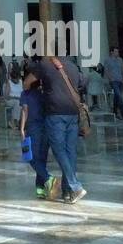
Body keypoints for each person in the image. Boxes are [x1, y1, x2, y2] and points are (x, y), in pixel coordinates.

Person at [37, 53, 88, 202]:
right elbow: (83, 83)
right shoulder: (73, 66)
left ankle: (75, 185)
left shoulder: (46, 65)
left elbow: (28, 82)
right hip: (72, 113)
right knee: (70, 151)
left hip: (55, 113)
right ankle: (67, 191)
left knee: (59, 150)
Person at [19, 64, 57, 199]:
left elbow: (25, 110)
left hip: (33, 127)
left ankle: (48, 178)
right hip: (45, 127)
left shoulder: (25, 94)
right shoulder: (44, 94)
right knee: (41, 158)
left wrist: (22, 128)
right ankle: (40, 188)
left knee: (31, 157)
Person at [104, 47, 123, 119]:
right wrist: (110, 78)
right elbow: (106, 70)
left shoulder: (120, 60)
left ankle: (114, 110)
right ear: (112, 52)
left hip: (120, 80)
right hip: (113, 80)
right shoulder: (107, 60)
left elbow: (122, 69)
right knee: (119, 95)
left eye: (118, 51)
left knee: (117, 96)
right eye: (116, 51)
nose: (117, 53)